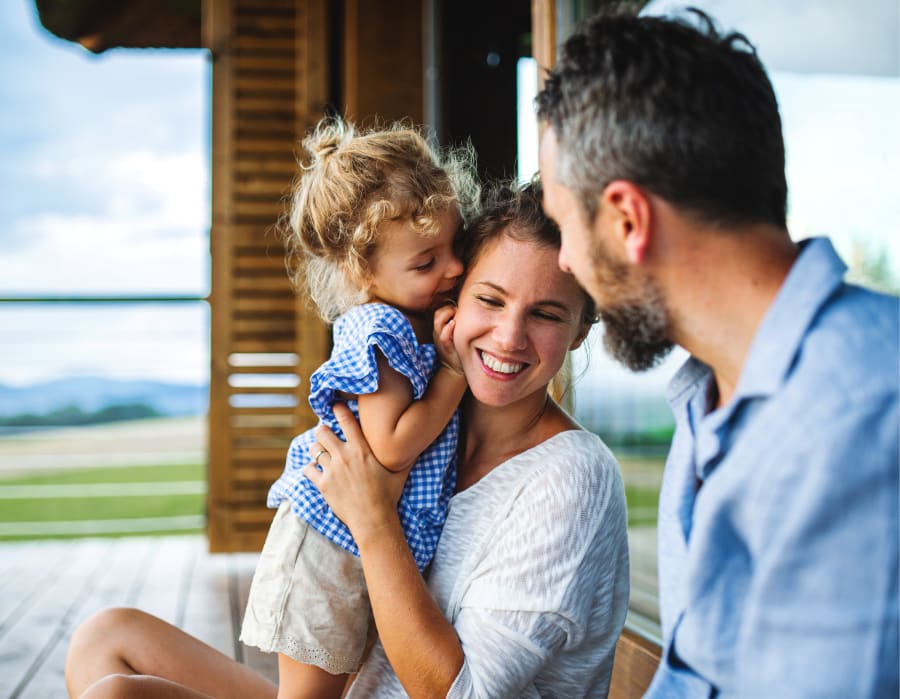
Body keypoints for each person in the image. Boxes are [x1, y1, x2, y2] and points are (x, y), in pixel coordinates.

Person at [65, 181, 630, 699]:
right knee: (105, 636)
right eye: (490, 299)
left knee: (118, 696)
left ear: (582, 329)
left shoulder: (572, 476)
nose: (508, 337)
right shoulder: (430, 430)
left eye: (548, 313)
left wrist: (371, 515)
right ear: (451, 295)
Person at [535, 7, 899, 698]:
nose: (566, 258)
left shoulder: (861, 419)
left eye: (562, 223)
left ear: (627, 219)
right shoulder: (709, 398)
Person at [242, 116, 480, 698]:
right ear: (361, 271)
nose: (452, 270)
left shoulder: (409, 320)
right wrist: (453, 374)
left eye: (456, 247)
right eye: (426, 263)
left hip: (351, 544)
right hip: (326, 552)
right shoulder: (381, 330)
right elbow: (391, 444)